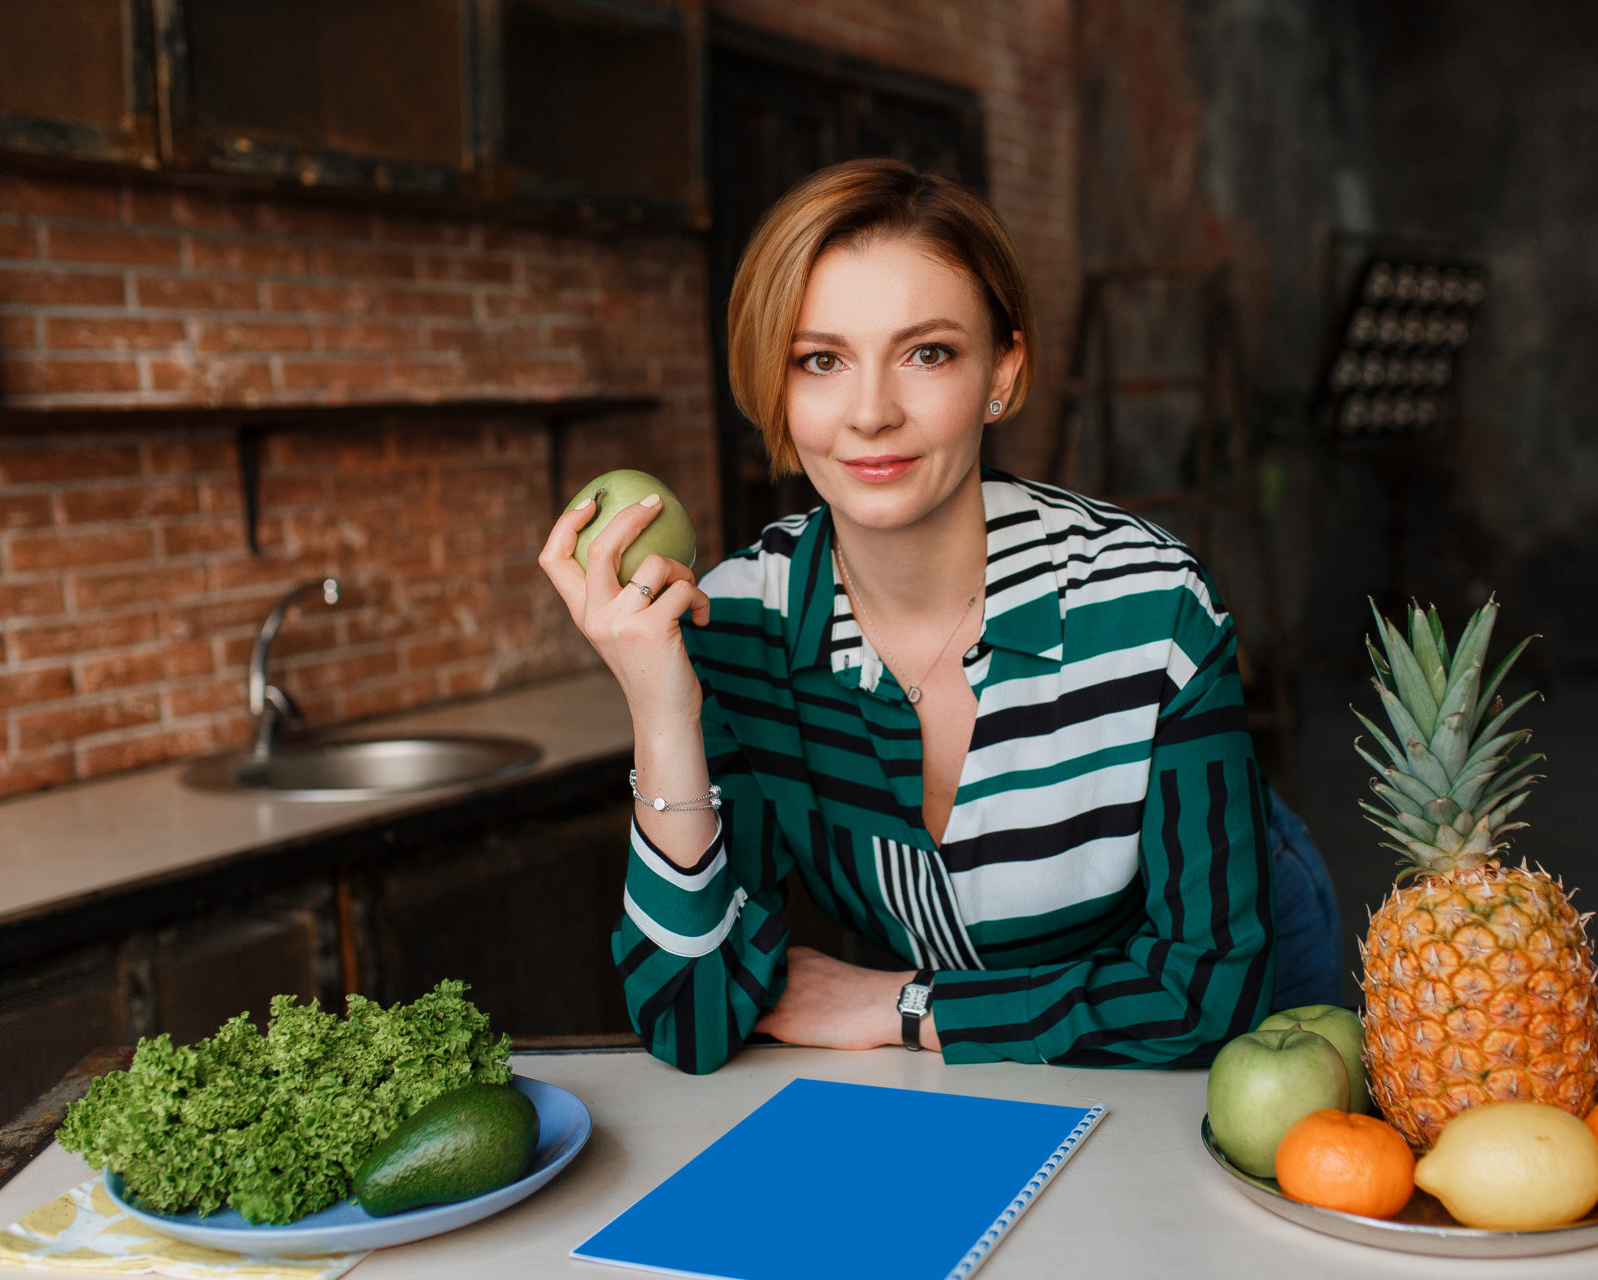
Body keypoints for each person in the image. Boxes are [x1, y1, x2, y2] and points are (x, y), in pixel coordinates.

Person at [539, 160, 1339, 1074]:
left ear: (1003, 370)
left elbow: (1207, 993)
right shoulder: (741, 624)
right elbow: (689, 1017)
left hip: (1242, 1004)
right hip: (998, 1046)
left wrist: (904, 1003)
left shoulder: (1149, 605)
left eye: (927, 353)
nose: (871, 413)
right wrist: (661, 713)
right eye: (821, 359)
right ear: (774, 387)